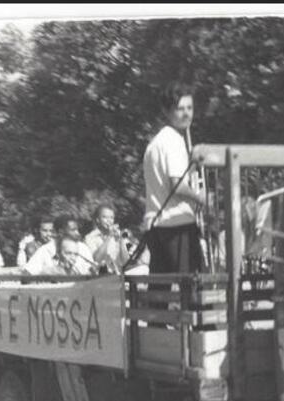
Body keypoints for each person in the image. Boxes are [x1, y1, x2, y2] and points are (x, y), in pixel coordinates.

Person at [142, 82, 206, 276]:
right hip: (177, 226)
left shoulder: (156, 142)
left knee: (160, 290)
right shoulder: (174, 141)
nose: (187, 114)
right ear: (167, 111)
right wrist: (202, 198)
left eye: (190, 107)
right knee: (193, 287)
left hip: (156, 225)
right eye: (180, 109)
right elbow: (176, 186)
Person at [23, 214, 95, 275]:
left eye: (77, 230)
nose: (78, 233)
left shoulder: (83, 248)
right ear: (61, 232)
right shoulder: (46, 250)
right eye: (73, 230)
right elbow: (27, 272)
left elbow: (92, 272)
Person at [84, 204, 130, 274]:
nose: (109, 221)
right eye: (105, 217)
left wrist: (121, 240)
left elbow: (126, 261)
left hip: (117, 277)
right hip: (98, 278)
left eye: (111, 218)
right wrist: (109, 236)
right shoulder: (90, 237)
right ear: (98, 220)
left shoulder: (117, 236)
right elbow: (96, 259)